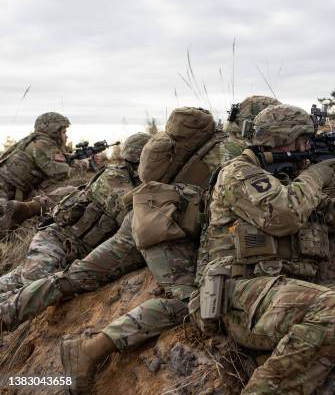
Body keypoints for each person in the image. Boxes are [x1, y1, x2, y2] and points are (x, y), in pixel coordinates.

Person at [0, 100, 278, 394]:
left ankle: (6, 314)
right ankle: (86, 352)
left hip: (141, 219)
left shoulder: (212, 144)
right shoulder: (237, 153)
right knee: (190, 302)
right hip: (164, 233)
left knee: (77, 275)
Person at [195, 104, 335, 394]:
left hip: (289, 297)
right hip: (242, 295)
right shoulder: (238, 174)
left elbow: (334, 219)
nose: (308, 146)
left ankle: (282, 362)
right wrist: (318, 173)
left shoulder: (290, 180)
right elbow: (283, 216)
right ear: (284, 139)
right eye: (304, 140)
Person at [0, 132, 151, 298]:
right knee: (37, 290)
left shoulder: (136, 180)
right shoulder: (115, 177)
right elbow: (133, 217)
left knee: (14, 281)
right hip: (56, 240)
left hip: (73, 252)